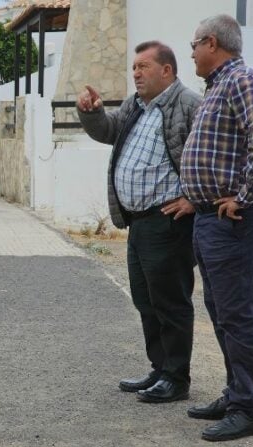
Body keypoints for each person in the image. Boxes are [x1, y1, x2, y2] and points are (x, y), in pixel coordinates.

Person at [77, 42, 201, 403]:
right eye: (134, 67)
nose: (136, 73)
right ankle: (160, 369)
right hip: (138, 222)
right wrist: (93, 113)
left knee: (170, 301)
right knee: (145, 300)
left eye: (144, 66)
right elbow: (109, 131)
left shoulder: (189, 105)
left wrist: (195, 197)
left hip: (168, 222)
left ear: (167, 70)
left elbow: (211, 154)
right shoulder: (136, 105)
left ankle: (177, 377)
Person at [165, 14, 253, 441]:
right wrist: (196, 195)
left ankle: (250, 404)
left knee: (237, 314)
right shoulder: (217, 87)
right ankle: (237, 390)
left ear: (211, 43)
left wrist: (244, 195)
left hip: (232, 219)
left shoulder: (242, 80)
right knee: (221, 312)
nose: (190, 54)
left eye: (193, 46)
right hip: (208, 216)